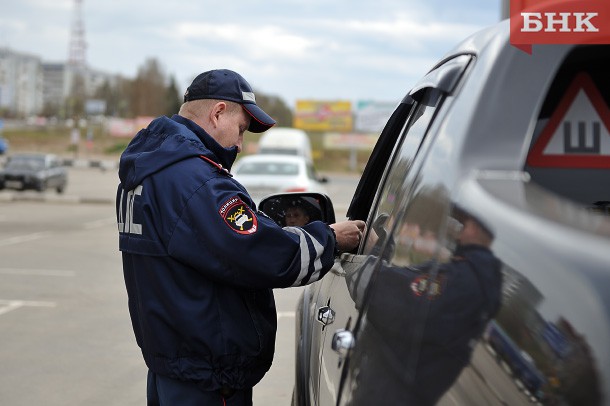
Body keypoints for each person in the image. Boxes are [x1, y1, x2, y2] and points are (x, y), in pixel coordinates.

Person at [115, 69, 365, 405]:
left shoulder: (148, 170)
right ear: (218, 113)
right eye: (242, 130)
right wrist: (331, 238)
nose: (240, 144)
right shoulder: (197, 182)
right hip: (207, 380)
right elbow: (261, 253)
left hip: (171, 368)